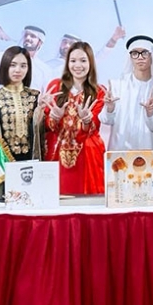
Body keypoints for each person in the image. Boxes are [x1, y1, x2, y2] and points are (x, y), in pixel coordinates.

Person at [38, 41, 107, 194]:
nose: (78, 65)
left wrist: (86, 119)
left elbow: (92, 128)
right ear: (67, 63)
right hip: (57, 152)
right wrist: (54, 117)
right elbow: (49, 127)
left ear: (91, 63)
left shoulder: (99, 91)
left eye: (83, 60)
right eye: (73, 60)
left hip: (88, 154)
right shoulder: (55, 86)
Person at [100, 34, 153, 151]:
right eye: (135, 53)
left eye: (144, 53)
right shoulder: (117, 85)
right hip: (119, 154)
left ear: (152, 57)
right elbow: (106, 120)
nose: (140, 57)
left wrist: (150, 114)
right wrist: (109, 108)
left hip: (149, 154)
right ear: (130, 57)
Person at [0, 46, 41, 163]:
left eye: (23, 66)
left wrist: (42, 108)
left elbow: (40, 133)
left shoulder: (36, 97)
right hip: (4, 163)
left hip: (32, 162)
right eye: (13, 65)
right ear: (5, 66)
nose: (18, 70)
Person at [21, 25, 56, 91]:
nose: (27, 38)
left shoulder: (45, 70)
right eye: (26, 35)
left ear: (40, 42)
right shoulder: (10, 58)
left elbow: (46, 93)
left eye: (32, 36)